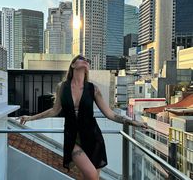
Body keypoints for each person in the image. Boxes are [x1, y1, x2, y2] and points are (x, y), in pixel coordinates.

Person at [20, 54, 148, 180]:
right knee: (92, 176)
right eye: (81, 59)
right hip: (73, 139)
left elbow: (110, 114)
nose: (85, 60)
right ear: (73, 64)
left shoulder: (93, 89)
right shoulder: (62, 87)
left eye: (87, 60)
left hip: (94, 139)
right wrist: (30, 118)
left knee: (90, 178)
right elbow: (54, 110)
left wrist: (133, 122)